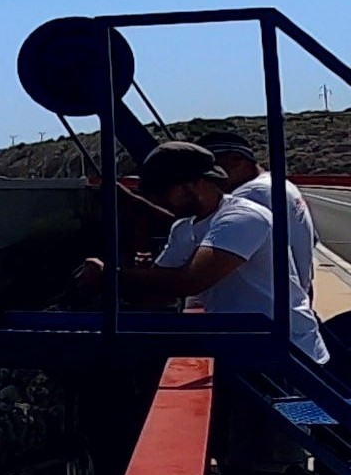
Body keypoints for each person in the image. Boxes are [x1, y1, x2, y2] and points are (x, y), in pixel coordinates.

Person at [76, 141, 328, 363]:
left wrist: (110, 274)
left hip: (289, 352)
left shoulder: (242, 216)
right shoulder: (184, 228)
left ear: (190, 186)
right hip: (246, 344)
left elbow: (191, 281)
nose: (160, 203)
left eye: (162, 194)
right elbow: (158, 293)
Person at [195, 130, 316, 301]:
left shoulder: (251, 195)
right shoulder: (279, 184)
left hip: (265, 307)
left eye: (209, 172)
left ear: (236, 160)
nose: (207, 181)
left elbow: (202, 270)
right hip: (290, 298)